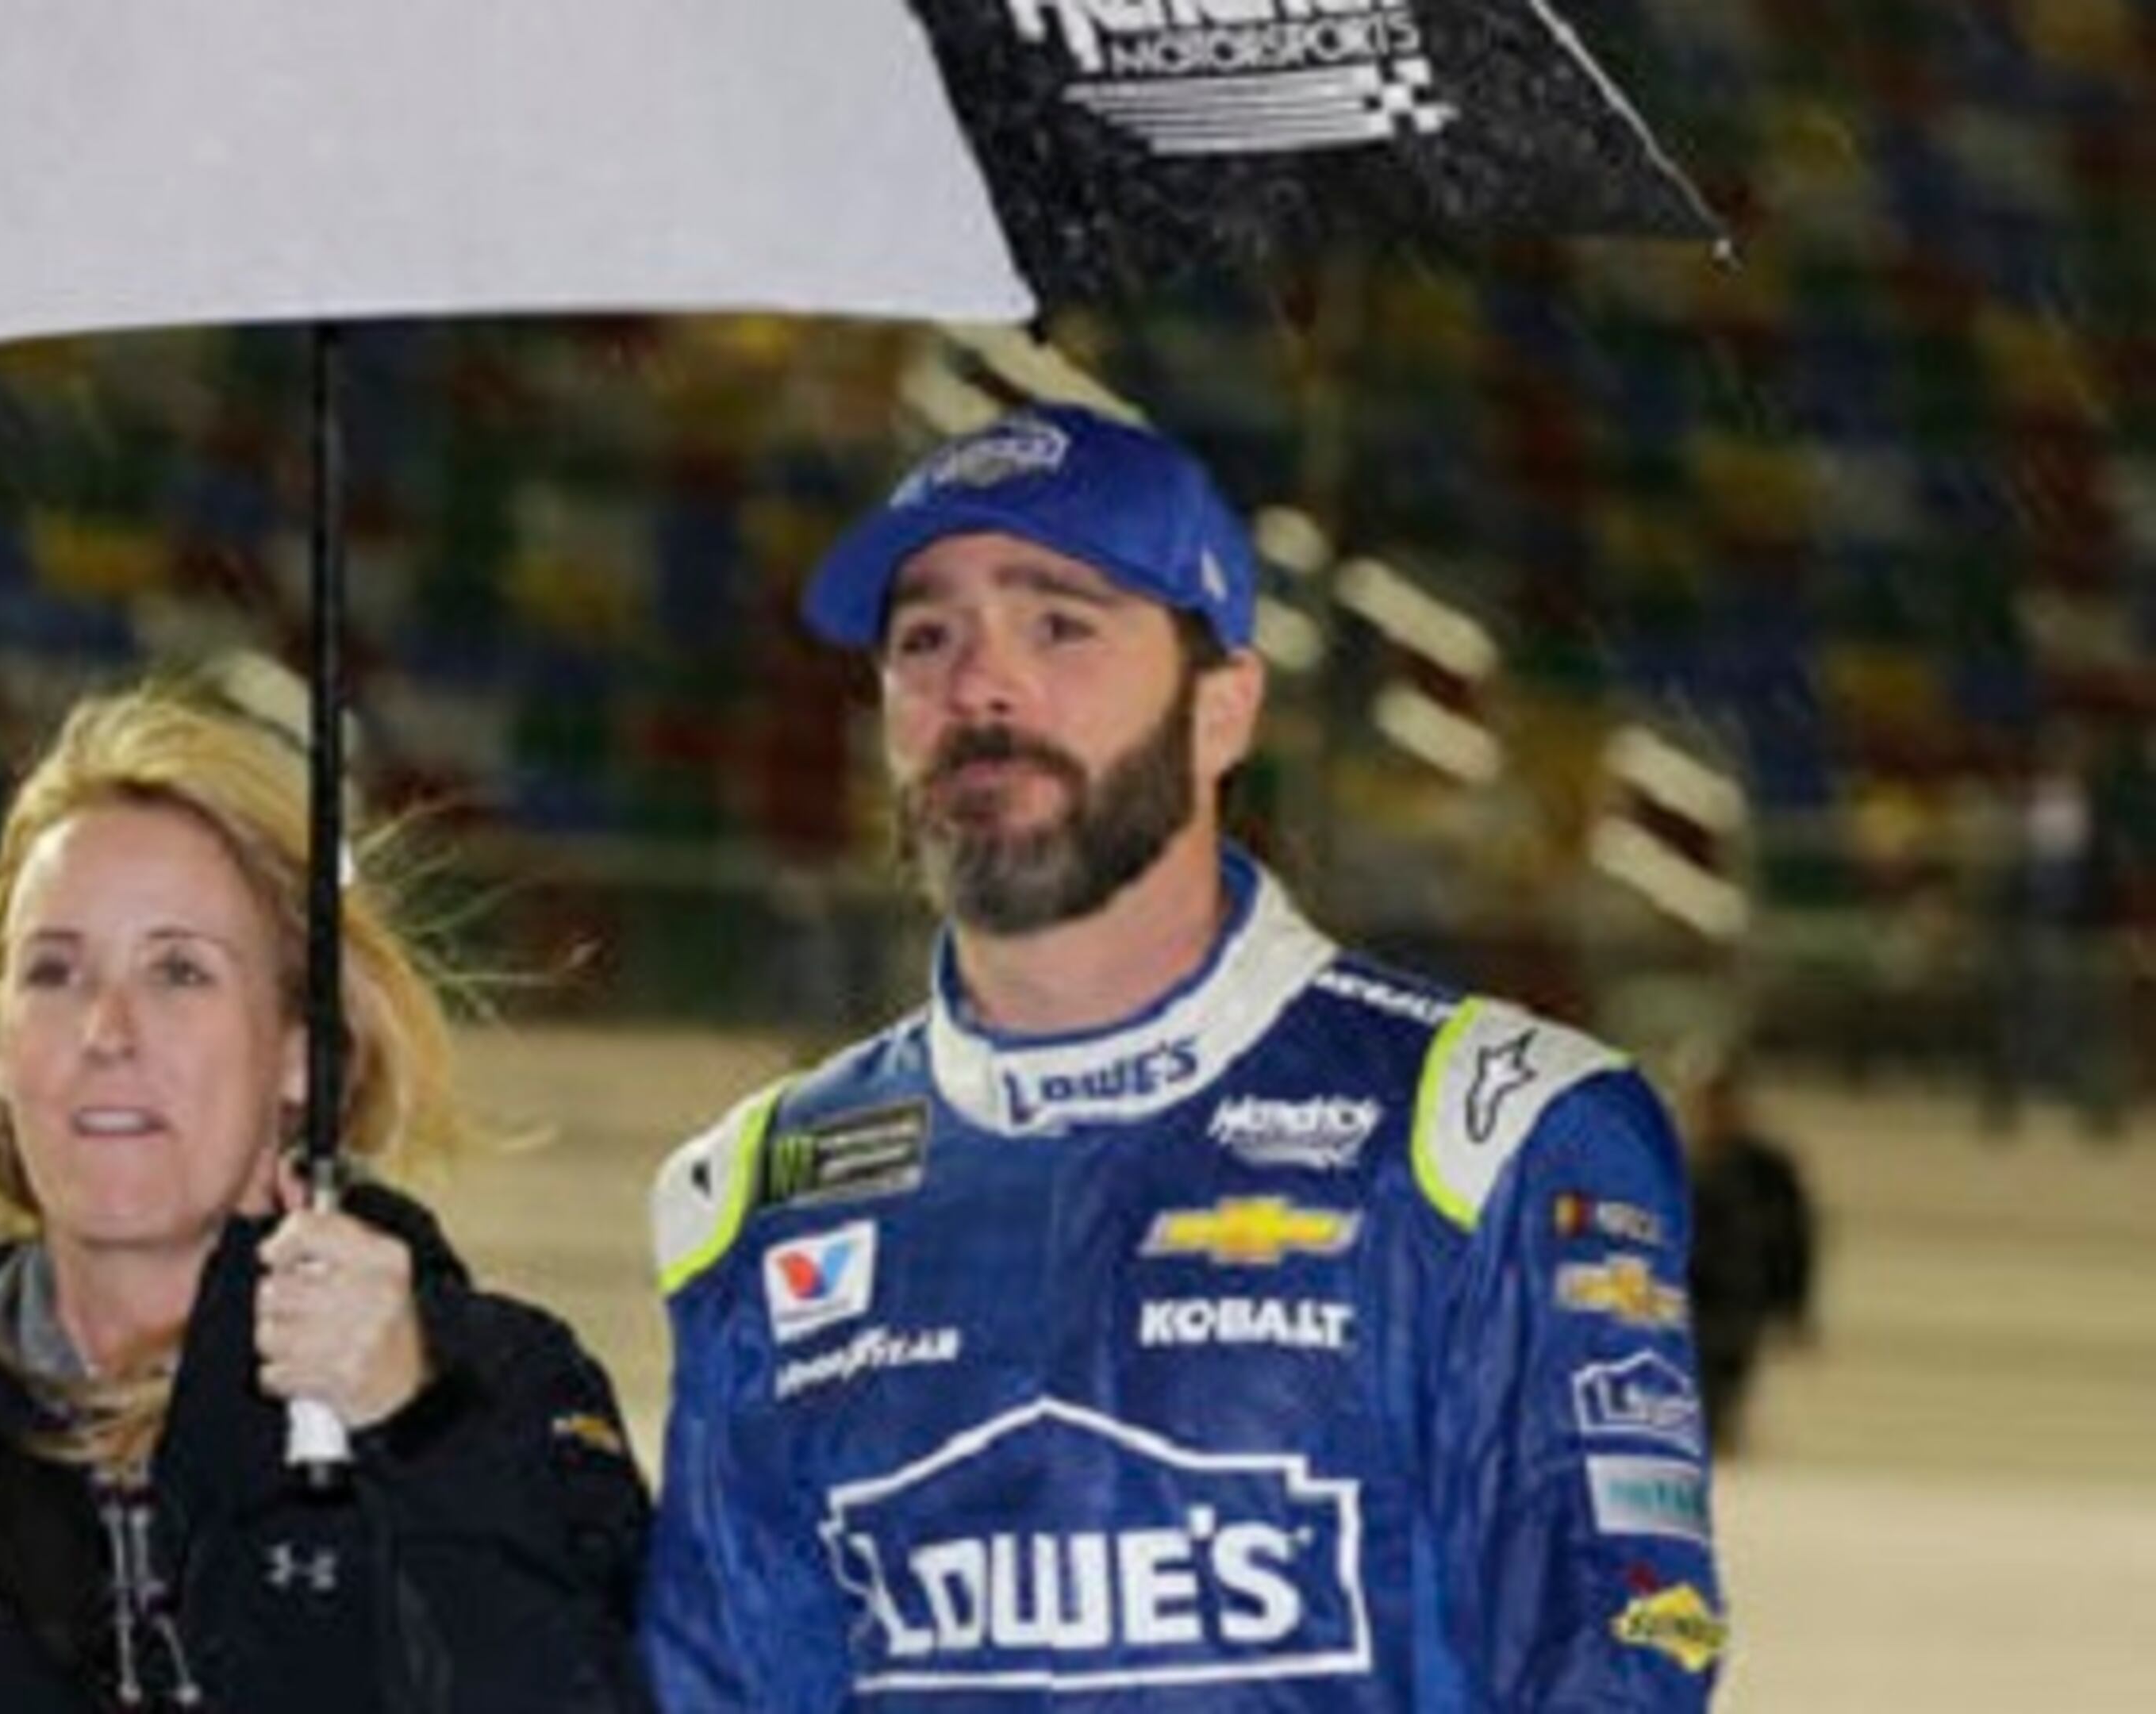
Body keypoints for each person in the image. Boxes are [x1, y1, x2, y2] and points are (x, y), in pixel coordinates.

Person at [643, 405, 1727, 1707]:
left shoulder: (1494, 1132)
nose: (979, 687)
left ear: (1224, 710)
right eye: (925, 637)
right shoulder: (758, 1190)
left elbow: (1617, 1664)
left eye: (1060, 626)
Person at [0, 683, 652, 1711]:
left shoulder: (508, 1396)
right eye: (54, 972)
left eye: (179, 973)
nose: (106, 1030)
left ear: (302, 1054)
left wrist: (414, 1436)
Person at [1683, 1060, 1816, 1458]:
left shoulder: (1768, 1168)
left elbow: (1794, 1236)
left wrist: (1794, 1304)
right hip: (1684, 1293)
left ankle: (1718, 1438)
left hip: (1739, 1296)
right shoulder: (1674, 1155)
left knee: (1725, 1380)